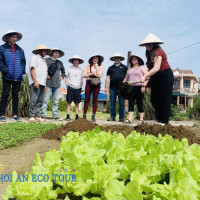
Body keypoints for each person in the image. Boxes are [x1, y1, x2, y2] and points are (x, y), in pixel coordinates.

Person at [139, 33, 174, 125]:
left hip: (164, 76)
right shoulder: (149, 53)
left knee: (164, 99)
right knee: (154, 99)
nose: (148, 45)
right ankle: (158, 119)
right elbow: (151, 69)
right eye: (147, 44)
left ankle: (164, 121)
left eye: (150, 44)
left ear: (154, 44)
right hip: (155, 77)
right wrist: (146, 80)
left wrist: (145, 76)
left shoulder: (159, 51)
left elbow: (157, 67)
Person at [0, 30, 26, 122]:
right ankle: (2, 114)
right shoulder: (2, 48)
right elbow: (0, 61)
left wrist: (22, 71)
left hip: (17, 77)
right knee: (5, 95)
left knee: (15, 95)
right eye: (13, 37)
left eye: (16, 37)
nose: (15, 39)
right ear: (8, 38)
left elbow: (23, 62)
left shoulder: (20, 50)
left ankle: (15, 115)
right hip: (7, 76)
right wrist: (5, 70)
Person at [28, 44, 51, 122]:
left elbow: (44, 73)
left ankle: (36, 115)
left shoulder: (44, 61)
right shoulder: (34, 58)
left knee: (40, 100)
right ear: (40, 51)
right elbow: (32, 69)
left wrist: (44, 85)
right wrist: (35, 81)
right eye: (44, 51)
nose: (46, 52)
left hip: (42, 82)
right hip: (35, 81)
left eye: (46, 51)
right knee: (34, 99)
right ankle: (31, 115)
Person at [41, 47, 65, 120]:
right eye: (55, 52)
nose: (57, 54)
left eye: (58, 52)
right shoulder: (46, 60)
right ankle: (43, 115)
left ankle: (55, 115)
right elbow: (42, 69)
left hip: (57, 85)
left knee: (56, 101)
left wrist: (62, 77)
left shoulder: (60, 63)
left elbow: (63, 71)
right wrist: (46, 75)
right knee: (45, 100)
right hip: (48, 84)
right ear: (52, 53)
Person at [123, 55, 148, 124]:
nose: (133, 60)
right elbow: (126, 78)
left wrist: (144, 86)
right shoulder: (129, 69)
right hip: (131, 88)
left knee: (139, 103)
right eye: (132, 59)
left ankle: (141, 119)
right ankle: (130, 119)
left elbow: (147, 77)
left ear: (138, 60)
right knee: (130, 103)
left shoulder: (141, 67)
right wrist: (123, 84)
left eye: (135, 59)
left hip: (139, 87)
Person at [105, 52, 128, 122]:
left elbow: (127, 76)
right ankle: (112, 116)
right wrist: (106, 87)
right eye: (115, 58)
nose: (117, 59)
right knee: (112, 102)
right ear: (114, 59)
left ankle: (121, 117)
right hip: (112, 88)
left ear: (120, 59)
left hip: (122, 88)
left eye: (118, 58)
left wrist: (124, 83)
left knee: (121, 102)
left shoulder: (125, 67)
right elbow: (107, 78)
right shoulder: (110, 68)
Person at [83, 54, 103, 122]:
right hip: (88, 82)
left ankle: (93, 115)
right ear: (91, 59)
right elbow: (84, 75)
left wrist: (96, 68)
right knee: (87, 99)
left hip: (96, 83)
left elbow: (100, 75)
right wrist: (91, 74)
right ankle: (84, 115)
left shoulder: (100, 67)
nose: (95, 60)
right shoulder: (87, 66)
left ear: (98, 60)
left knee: (95, 99)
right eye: (94, 58)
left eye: (96, 59)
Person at [65, 55, 84, 121]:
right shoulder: (69, 68)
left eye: (77, 60)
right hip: (70, 87)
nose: (76, 61)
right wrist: (67, 85)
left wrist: (81, 86)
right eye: (75, 60)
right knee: (69, 102)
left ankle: (76, 116)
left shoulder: (81, 69)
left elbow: (81, 79)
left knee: (77, 103)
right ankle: (67, 115)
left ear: (79, 61)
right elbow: (66, 77)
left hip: (78, 88)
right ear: (73, 61)